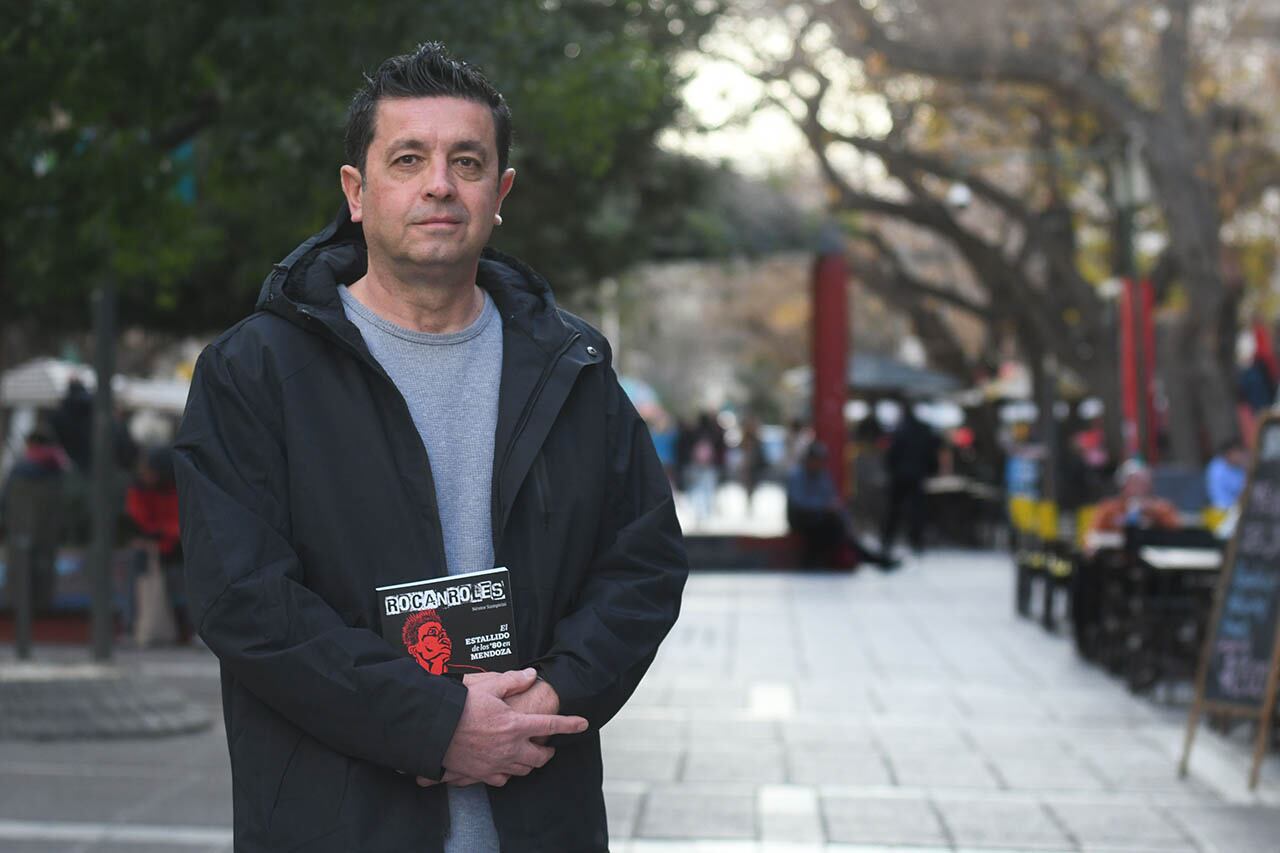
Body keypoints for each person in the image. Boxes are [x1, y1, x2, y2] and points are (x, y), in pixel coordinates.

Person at [174, 43, 687, 852]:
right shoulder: (255, 371)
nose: (439, 183)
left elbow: (644, 564)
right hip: (335, 819)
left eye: (468, 161)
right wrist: (435, 725)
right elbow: (245, 598)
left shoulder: (571, 367)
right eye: (408, 159)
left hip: (538, 814)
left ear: (500, 192)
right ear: (357, 190)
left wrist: (548, 698)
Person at [786, 442, 899, 570]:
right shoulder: (796, 476)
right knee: (836, 528)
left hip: (823, 520)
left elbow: (833, 500)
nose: (819, 464)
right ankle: (876, 560)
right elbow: (799, 503)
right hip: (803, 519)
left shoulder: (822, 475)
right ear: (809, 459)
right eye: (816, 460)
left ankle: (876, 559)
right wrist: (823, 507)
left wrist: (844, 520)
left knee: (839, 529)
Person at [0, 428, 68, 612]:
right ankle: (41, 611)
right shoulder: (59, 471)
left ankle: (20, 617)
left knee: (19, 575)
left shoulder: (18, 471)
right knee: (43, 574)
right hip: (47, 534)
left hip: (19, 531)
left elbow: (5, 503)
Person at [881, 402, 940, 555]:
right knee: (916, 510)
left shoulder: (900, 430)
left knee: (895, 510)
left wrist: (892, 469)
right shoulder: (923, 430)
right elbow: (932, 453)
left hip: (900, 476)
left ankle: (888, 540)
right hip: (917, 475)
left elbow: (891, 454)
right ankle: (916, 541)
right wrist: (930, 470)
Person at [1087, 459, 1181, 535]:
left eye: (1143, 482)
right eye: (1134, 482)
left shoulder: (1162, 507)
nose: (1139, 487)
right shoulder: (1109, 508)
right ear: (1123, 485)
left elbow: (1176, 531)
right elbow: (1093, 535)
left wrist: (1152, 511)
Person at [1205, 438, 1248, 511]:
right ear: (1229, 454)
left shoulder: (1239, 467)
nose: (1241, 456)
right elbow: (1221, 502)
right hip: (1225, 510)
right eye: (1238, 453)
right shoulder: (1217, 470)